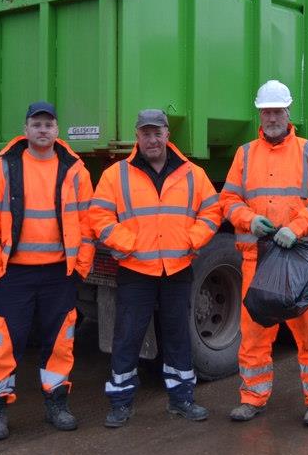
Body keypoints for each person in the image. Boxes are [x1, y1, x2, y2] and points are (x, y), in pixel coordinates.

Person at [90, 109, 222, 428]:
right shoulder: (115, 175)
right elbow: (98, 217)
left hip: (176, 268)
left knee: (177, 336)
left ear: (167, 135)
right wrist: (129, 243)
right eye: (145, 133)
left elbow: (212, 210)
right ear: (137, 137)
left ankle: (181, 400)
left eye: (157, 132)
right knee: (127, 337)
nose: (152, 139)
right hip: (136, 270)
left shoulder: (192, 174)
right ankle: (121, 403)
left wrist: (193, 239)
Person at [219, 80, 308, 427]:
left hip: (300, 258)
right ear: (260, 113)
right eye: (266, 111)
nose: (271, 117)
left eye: (277, 111)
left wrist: (296, 227)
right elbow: (228, 200)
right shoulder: (245, 154)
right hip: (257, 259)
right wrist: (249, 219)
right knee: (254, 335)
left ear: (288, 113)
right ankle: (252, 398)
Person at [0, 101, 95, 440]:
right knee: (5, 344)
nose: (42, 130)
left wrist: (80, 268)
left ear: (57, 130)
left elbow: (89, 222)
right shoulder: (4, 168)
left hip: (59, 274)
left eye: (48, 124)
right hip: (14, 275)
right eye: (36, 124)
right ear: (26, 129)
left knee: (60, 342)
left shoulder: (74, 170)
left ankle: (57, 404)